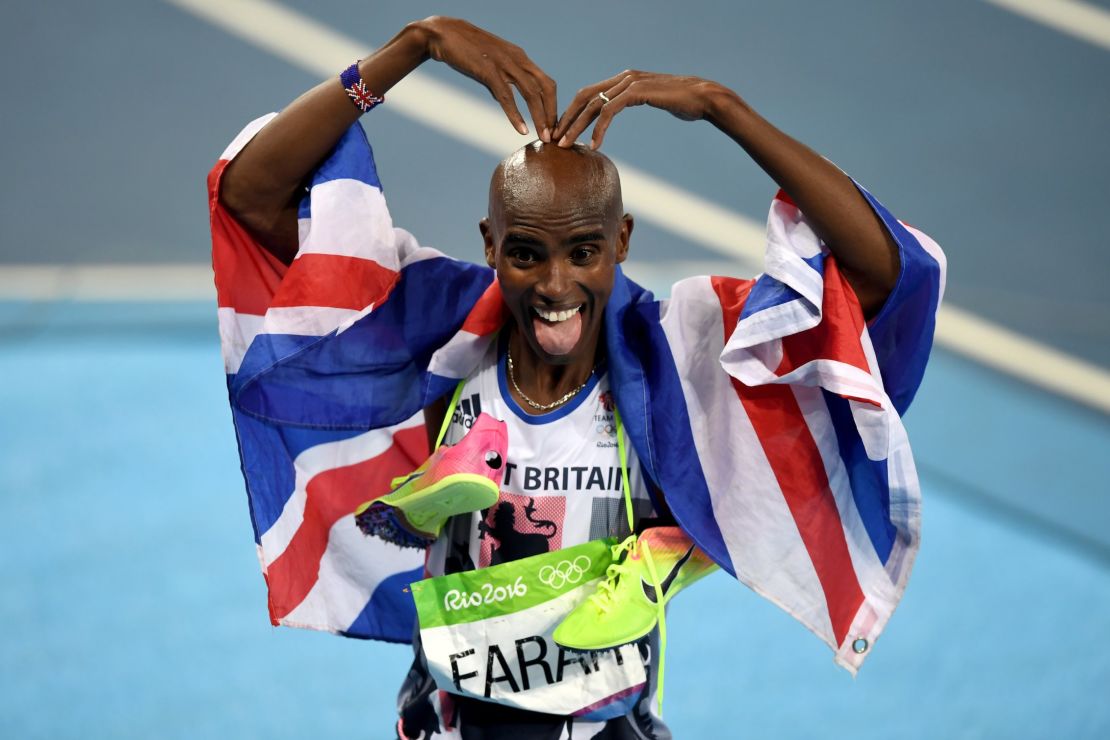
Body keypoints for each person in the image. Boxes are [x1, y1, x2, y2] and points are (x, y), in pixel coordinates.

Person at [210, 16, 944, 740]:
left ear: (621, 241)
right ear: (490, 244)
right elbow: (251, 197)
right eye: (526, 253)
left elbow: (882, 276)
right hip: (451, 721)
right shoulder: (440, 333)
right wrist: (412, 47)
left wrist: (725, 109)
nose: (555, 284)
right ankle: (440, 486)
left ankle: (658, 553)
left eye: (584, 252)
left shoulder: (675, 360)